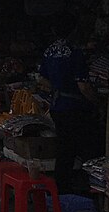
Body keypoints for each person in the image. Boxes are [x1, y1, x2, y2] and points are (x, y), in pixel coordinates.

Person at [39, 17, 101, 192]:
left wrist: (58, 87)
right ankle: (87, 188)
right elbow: (84, 87)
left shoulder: (49, 51)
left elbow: (42, 79)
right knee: (88, 149)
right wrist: (98, 103)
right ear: (74, 30)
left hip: (58, 106)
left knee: (65, 150)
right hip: (74, 108)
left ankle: (62, 188)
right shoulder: (75, 52)